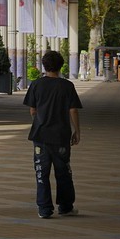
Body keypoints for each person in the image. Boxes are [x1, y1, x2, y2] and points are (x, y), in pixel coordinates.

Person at [23, 49, 81, 217]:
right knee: (63, 171)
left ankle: (44, 209)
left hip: (40, 136)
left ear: (44, 66)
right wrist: (77, 131)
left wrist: (41, 118)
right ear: (61, 66)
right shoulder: (67, 86)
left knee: (42, 171)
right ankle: (65, 206)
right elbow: (73, 110)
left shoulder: (36, 84)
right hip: (61, 135)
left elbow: (33, 111)